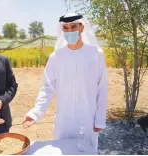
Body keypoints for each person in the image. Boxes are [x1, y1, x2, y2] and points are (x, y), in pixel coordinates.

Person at [22, 13, 108, 152]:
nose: (70, 31)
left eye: (73, 26)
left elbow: (102, 88)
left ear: (81, 27)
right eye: (66, 28)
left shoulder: (96, 54)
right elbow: (47, 88)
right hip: (63, 120)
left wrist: (99, 119)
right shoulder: (56, 57)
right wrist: (36, 113)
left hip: (88, 119)